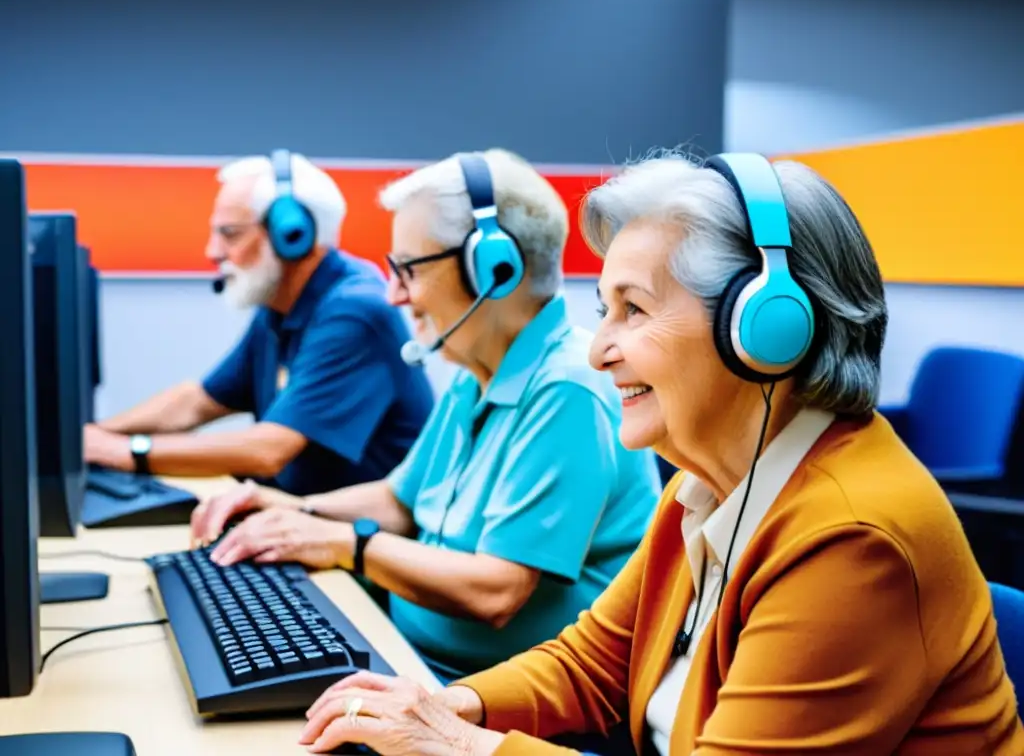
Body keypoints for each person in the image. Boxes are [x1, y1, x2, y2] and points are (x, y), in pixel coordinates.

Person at [294, 150, 1024, 755]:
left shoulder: (852, 538)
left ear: (766, 329)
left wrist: (458, 745)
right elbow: (596, 662)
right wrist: (445, 702)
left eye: (633, 310)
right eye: (603, 310)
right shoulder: (708, 487)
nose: (601, 348)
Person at [190, 148, 662, 684]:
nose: (394, 294)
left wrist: (344, 544)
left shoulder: (568, 388)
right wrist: (291, 511)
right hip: (413, 657)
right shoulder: (477, 370)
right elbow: (397, 500)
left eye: (408, 270)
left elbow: (497, 590)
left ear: (494, 270)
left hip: (488, 696)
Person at [84, 150, 434, 496]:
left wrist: (127, 451)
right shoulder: (278, 306)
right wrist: (93, 435)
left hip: (365, 536)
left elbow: (268, 451)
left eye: (230, 234)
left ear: (292, 237)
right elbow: (197, 402)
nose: (213, 251)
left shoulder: (355, 311)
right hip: (304, 526)